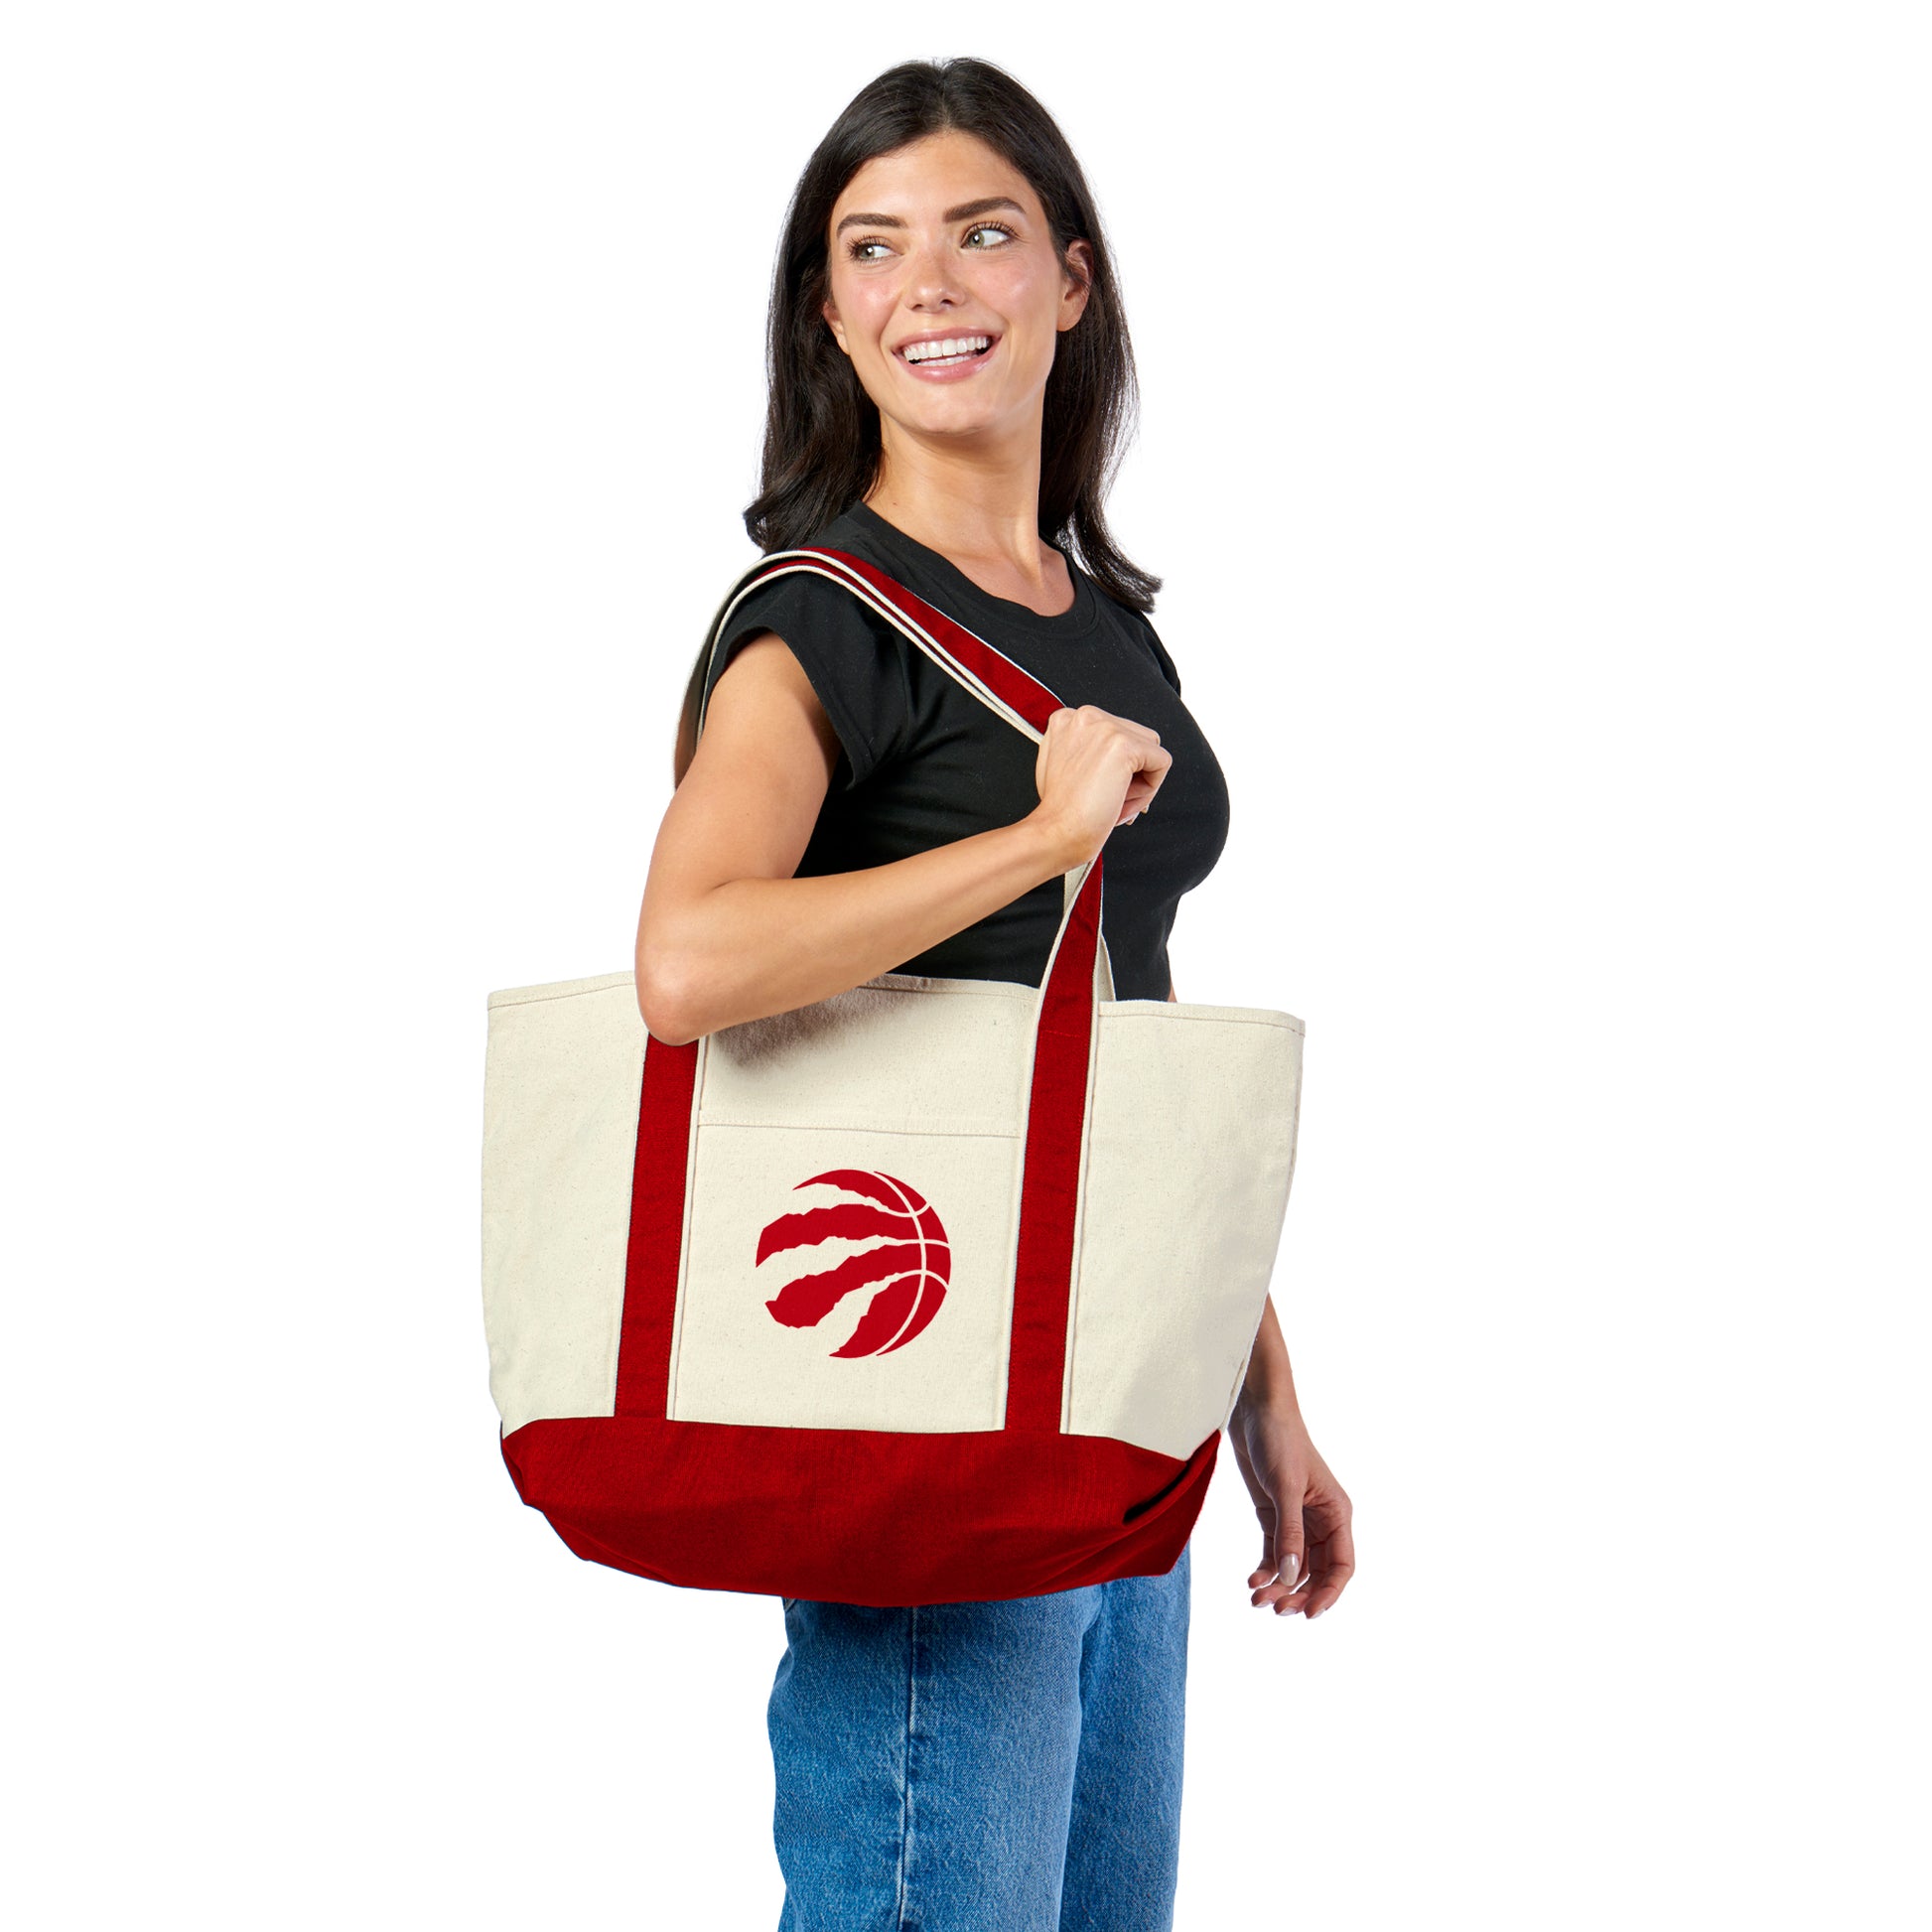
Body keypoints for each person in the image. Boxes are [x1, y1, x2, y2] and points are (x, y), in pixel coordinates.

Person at [633, 57, 1354, 1932]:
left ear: (1069, 281)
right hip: (930, 1401)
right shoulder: (820, 620)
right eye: (871, 248)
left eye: (981, 233)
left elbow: (1118, 1021)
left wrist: (1258, 1379)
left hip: (1122, 1402)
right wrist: (1034, 839)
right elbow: (688, 958)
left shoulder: (1096, 620)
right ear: (826, 312)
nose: (929, 286)